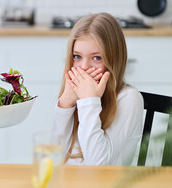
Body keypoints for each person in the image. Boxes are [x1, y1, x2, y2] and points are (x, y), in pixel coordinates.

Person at [53, 13, 144, 165]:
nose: (84, 67)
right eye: (77, 56)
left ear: (114, 59)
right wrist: (64, 105)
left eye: (96, 58)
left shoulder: (129, 99)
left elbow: (97, 164)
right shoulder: (74, 95)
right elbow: (54, 157)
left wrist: (89, 101)